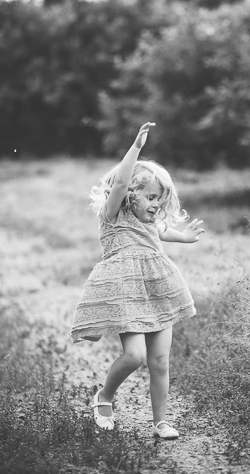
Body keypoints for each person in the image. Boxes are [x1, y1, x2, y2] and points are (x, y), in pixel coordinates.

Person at [70, 122, 204, 440]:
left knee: (159, 361)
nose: (157, 204)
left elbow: (163, 232)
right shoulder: (114, 213)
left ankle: (160, 421)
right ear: (132, 192)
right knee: (135, 356)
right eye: (152, 197)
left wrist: (184, 237)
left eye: (161, 199)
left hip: (159, 287)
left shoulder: (151, 220)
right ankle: (104, 397)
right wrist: (136, 148)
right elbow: (117, 186)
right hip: (127, 290)